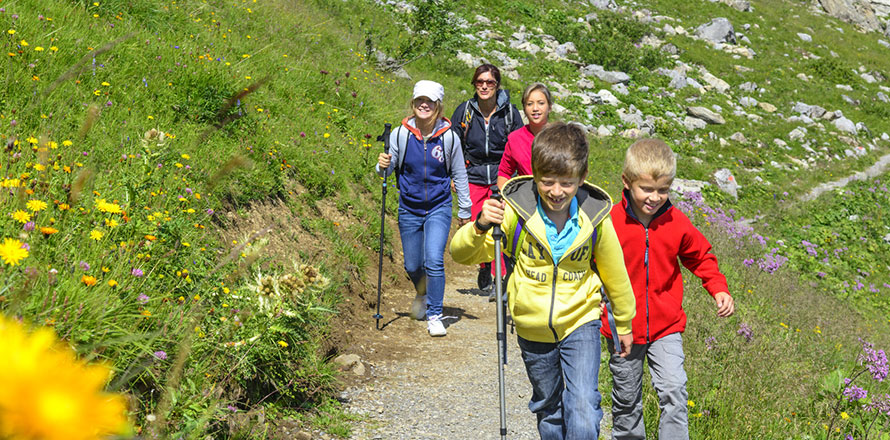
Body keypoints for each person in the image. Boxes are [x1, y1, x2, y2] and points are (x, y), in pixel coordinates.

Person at [450, 122, 636, 439]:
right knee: (548, 408)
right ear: (534, 174)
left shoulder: (594, 219)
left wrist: (624, 321)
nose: (556, 192)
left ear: (582, 176)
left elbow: (614, 271)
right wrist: (480, 225)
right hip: (532, 325)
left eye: (566, 183)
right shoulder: (516, 212)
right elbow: (460, 254)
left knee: (582, 407)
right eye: (547, 182)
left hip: (582, 319)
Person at [602, 138, 735, 439]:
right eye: (646, 189)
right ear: (627, 181)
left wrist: (718, 288)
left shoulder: (676, 221)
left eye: (663, 189)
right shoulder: (609, 221)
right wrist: (593, 299)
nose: (655, 197)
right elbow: (591, 265)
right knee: (626, 401)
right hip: (623, 326)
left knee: (675, 391)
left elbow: (700, 256)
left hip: (666, 326)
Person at [376, 80, 472, 337]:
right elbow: (388, 168)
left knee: (433, 259)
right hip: (408, 207)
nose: (424, 105)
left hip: (439, 206)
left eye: (429, 101)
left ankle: (435, 314)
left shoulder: (449, 138)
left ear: (438, 106)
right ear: (414, 103)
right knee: (412, 265)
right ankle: (422, 292)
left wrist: (465, 209)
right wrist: (382, 164)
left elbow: (460, 174)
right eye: (420, 100)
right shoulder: (400, 134)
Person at [451, 64, 524, 292]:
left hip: (502, 177)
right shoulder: (465, 111)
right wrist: (454, 176)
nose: (484, 86)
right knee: (477, 226)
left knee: (499, 226)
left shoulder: (510, 114)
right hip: (472, 175)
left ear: (497, 85)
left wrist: (521, 179)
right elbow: (454, 146)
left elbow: (520, 145)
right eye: (480, 82)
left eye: (489, 82)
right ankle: (485, 265)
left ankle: (499, 278)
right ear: (474, 84)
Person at [497, 82, 553, 189]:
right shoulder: (515, 139)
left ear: (549, 107)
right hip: (526, 198)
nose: (535, 108)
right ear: (524, 108)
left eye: (541, 103)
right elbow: (504, 172)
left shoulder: (562, 136)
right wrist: (503, 198)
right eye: (529, 104)